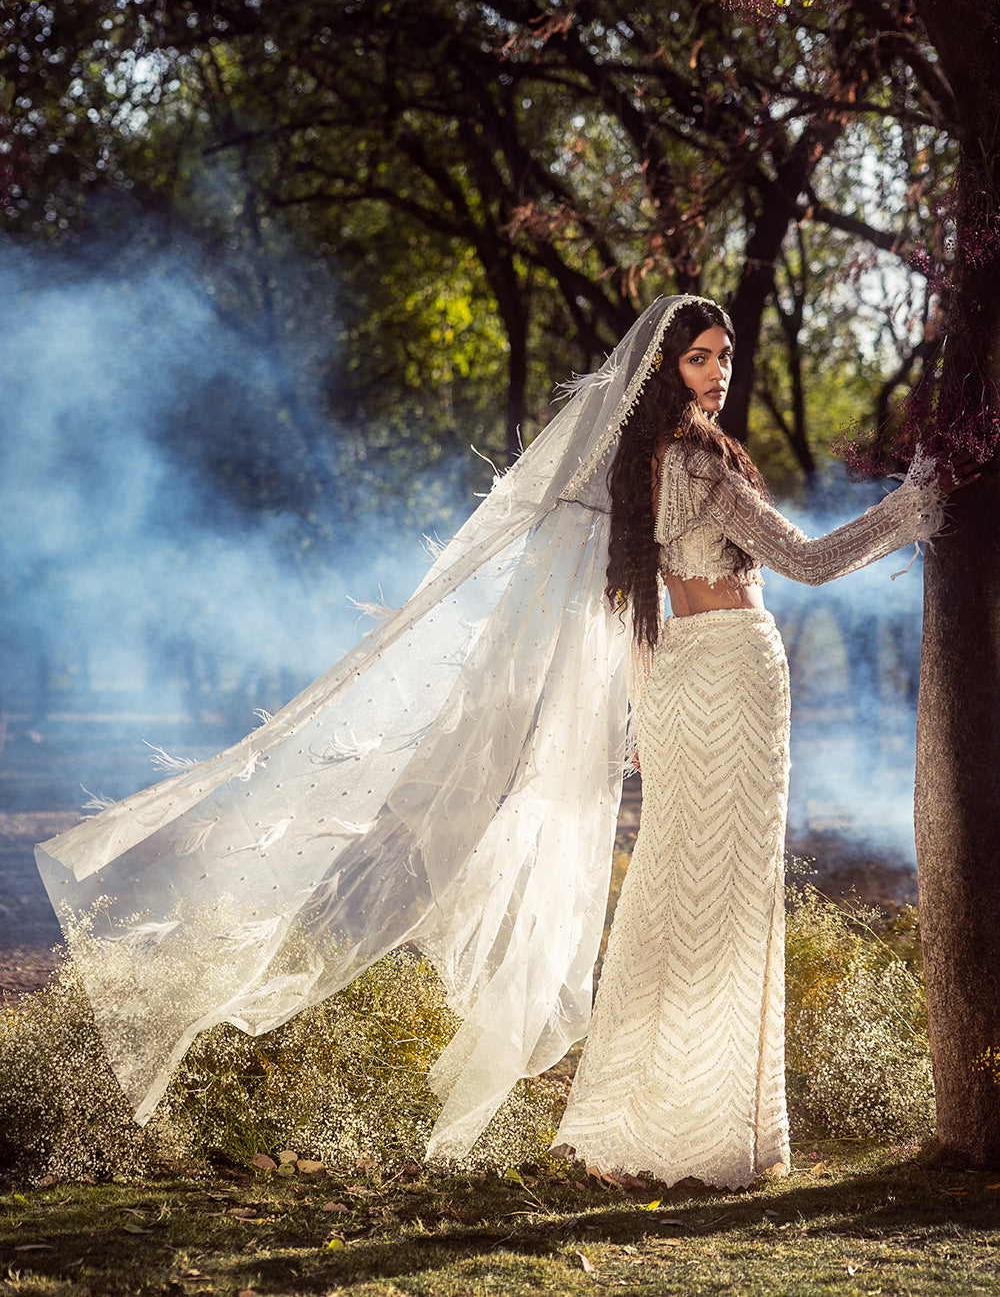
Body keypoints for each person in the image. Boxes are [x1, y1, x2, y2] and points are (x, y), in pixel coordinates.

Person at [36, 295, 969, 1187]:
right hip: (727, 670)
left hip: (679, 674)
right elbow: (807, 562)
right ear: (665, 369)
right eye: (699, 358)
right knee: (726, 887)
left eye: (724, 357)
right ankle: (710, 1129)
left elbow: (631, 601)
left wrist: (645, 707)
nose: (718, 373)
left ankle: (645, 1117)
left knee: (671, 883)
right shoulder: (698, 464)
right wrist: (913, 506)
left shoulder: (636, 464)